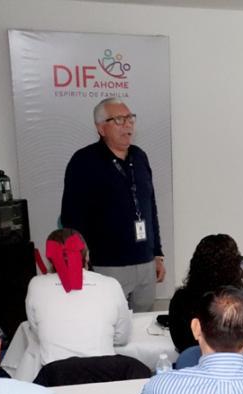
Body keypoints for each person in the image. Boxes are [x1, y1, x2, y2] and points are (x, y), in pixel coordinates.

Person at [60, 97, 165, 312]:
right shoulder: (83, 161)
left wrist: (157, 254)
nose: (128, 124)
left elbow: (150, 207)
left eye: (130, 118)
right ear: (101, 128)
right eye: (119, 120)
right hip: (107, 265)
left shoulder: (140, 156)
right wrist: (81, 261)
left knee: (144, 322)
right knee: (110, 323)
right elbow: (71, 216)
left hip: (145, 261)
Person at [24, 228, 132, 369]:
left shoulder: (36, 285)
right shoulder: (111, 284)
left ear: (49, 259)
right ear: (87, 256)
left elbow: (37, 333)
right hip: (104, 372)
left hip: (55, 375)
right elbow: (122, 337)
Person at [167, 234, 243, 353]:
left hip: (192, 358)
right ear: (234, 267)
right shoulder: (242, 301)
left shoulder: (180, 300)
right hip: (233, 358)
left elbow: (180, 343)